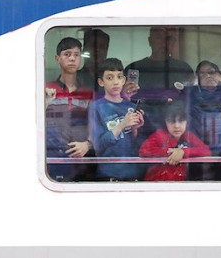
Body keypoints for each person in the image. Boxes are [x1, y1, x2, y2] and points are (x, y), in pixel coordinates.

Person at [125, 27, 194, 132]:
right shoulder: (134, 68)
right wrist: (123, 92)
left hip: (174, 130)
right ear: (150, 41)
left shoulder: (183, 69)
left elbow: (191, 102)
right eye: (159, 38)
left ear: (173, 42)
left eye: (168, 39)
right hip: (140, 130)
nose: (164, 43)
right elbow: (122, 102)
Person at [44, 37, 95, 182]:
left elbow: (96, 125)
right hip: (52, 158)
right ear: (57, 59)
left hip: (83, 161)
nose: (72, 58)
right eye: (67, 54)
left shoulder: (88, 92)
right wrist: (45, 102)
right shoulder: (46, 88)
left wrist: (88, 145)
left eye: (76, 55)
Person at [89, 58, 146, 181]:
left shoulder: (131, 106)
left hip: (133, 173)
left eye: (119, 77)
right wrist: (122, 125)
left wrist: (135, 129)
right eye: (110, 78)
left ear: (124, 80)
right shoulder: (96, 106)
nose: (116, 82)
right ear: (101, 82)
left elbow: (140, 147)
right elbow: (98, 145)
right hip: (108, 173)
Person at [186, 60, 221, 180]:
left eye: (211, 72)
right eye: (203, 74)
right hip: (198, 146)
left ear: (219, 75)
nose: (208, 76)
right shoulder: (191, 94)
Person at [139, 99, 211, 181]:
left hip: (180, 183)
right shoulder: (160, 135)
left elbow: (206, 151)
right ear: (165, 121)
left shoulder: (188, 136)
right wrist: (171, 152)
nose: (177, 126)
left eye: (181, 121)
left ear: (187, 122)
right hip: (157, 182)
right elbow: (143, 151)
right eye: (172, 121)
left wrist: (183, 152)